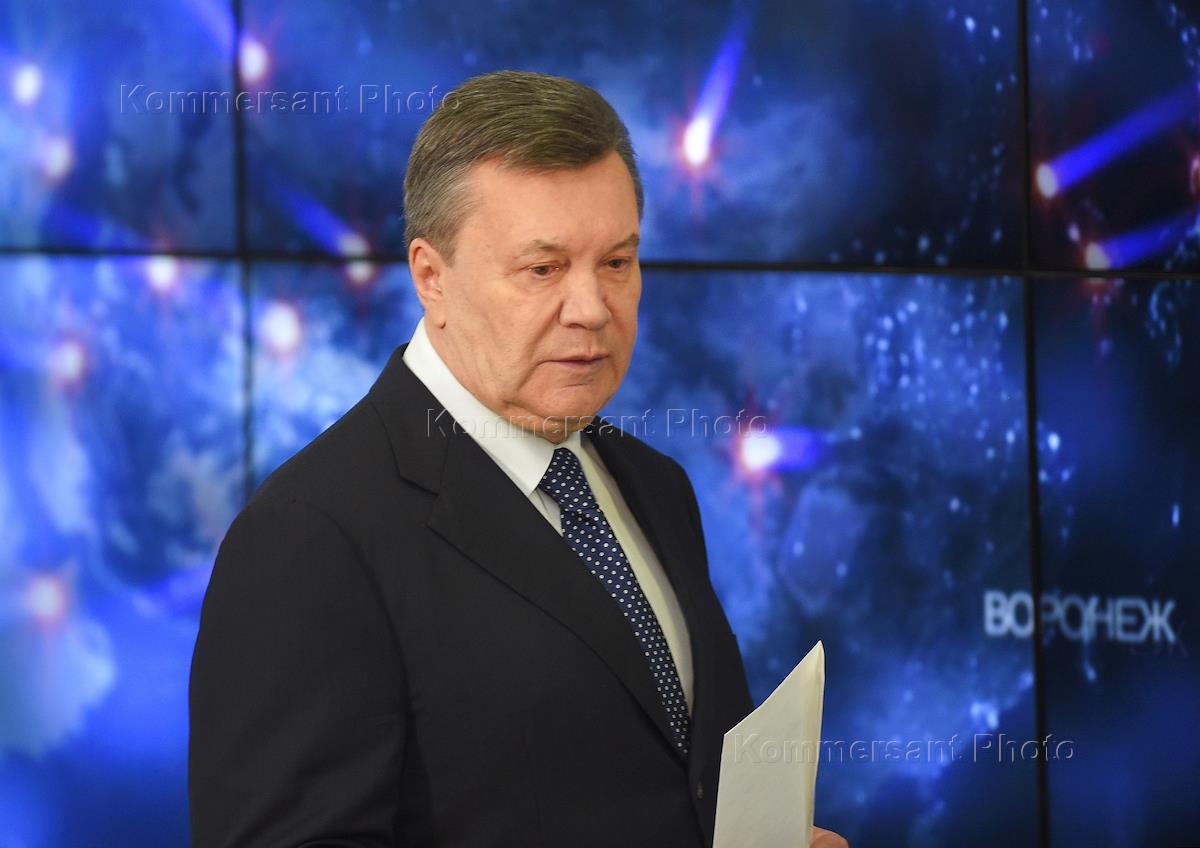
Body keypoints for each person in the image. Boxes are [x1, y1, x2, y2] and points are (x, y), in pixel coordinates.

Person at [189, 68, 847, 848]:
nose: (592, 309)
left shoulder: (655, 485)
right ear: (431, 277)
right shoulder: (309, 539)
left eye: (617, 262)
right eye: (543, 270)